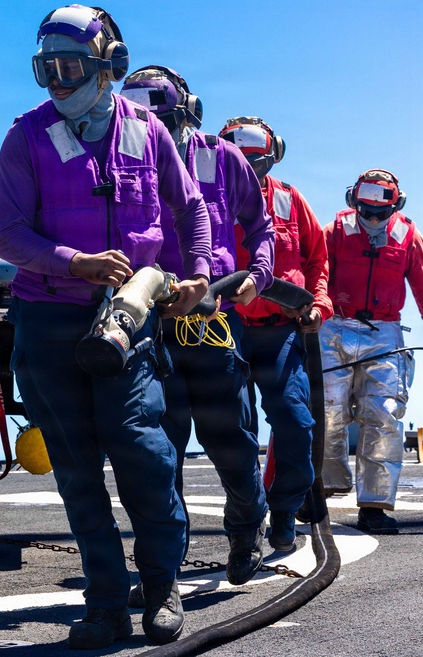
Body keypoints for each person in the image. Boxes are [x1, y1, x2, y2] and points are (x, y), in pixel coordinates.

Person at [0, 6, 212, 649]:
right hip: (51, 319)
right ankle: (106, 605)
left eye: (70, 69)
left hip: (130, 320)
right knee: (79, 471)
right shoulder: (25, 137)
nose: (57, 84)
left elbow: (189, 205)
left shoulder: (149, 132)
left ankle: (162, 587)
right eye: (45, 71)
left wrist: (196, 271)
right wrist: (74, 262)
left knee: (144, 453)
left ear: (108, 66)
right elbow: (7, 234)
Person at [119, 68, 274, 588]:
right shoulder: (122, 154)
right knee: (158, 455)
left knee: (230, 441)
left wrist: (259, 273)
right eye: (143, 120)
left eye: (161, 119)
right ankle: (163, 567)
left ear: (187, 113)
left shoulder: (222, 157)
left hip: (210, 324)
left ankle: (247, 527)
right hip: (148, 327)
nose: (152, 130)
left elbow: (260, 225)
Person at [219, 116, 333, 550]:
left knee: (296, 420)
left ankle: (284, 510)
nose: (248, 174)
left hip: (279, 332)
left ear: (273, 157)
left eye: (257, 164)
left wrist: (317, 305)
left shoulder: (289, 200)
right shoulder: (203, 196)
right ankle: (246, 524)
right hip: (223, 331)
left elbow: (317, 260)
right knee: (235, 432)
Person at [321, 169, 423, 533]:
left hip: (384, 332)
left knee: (383, 415)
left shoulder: (409, 237)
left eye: (380, 214)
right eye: (366, 211)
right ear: (354, 202)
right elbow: (316, 274)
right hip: (333, 325)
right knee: (326, 409)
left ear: (395, 206)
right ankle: (323, 488)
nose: (372, 219)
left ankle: (374, 505)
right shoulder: (334, 232)